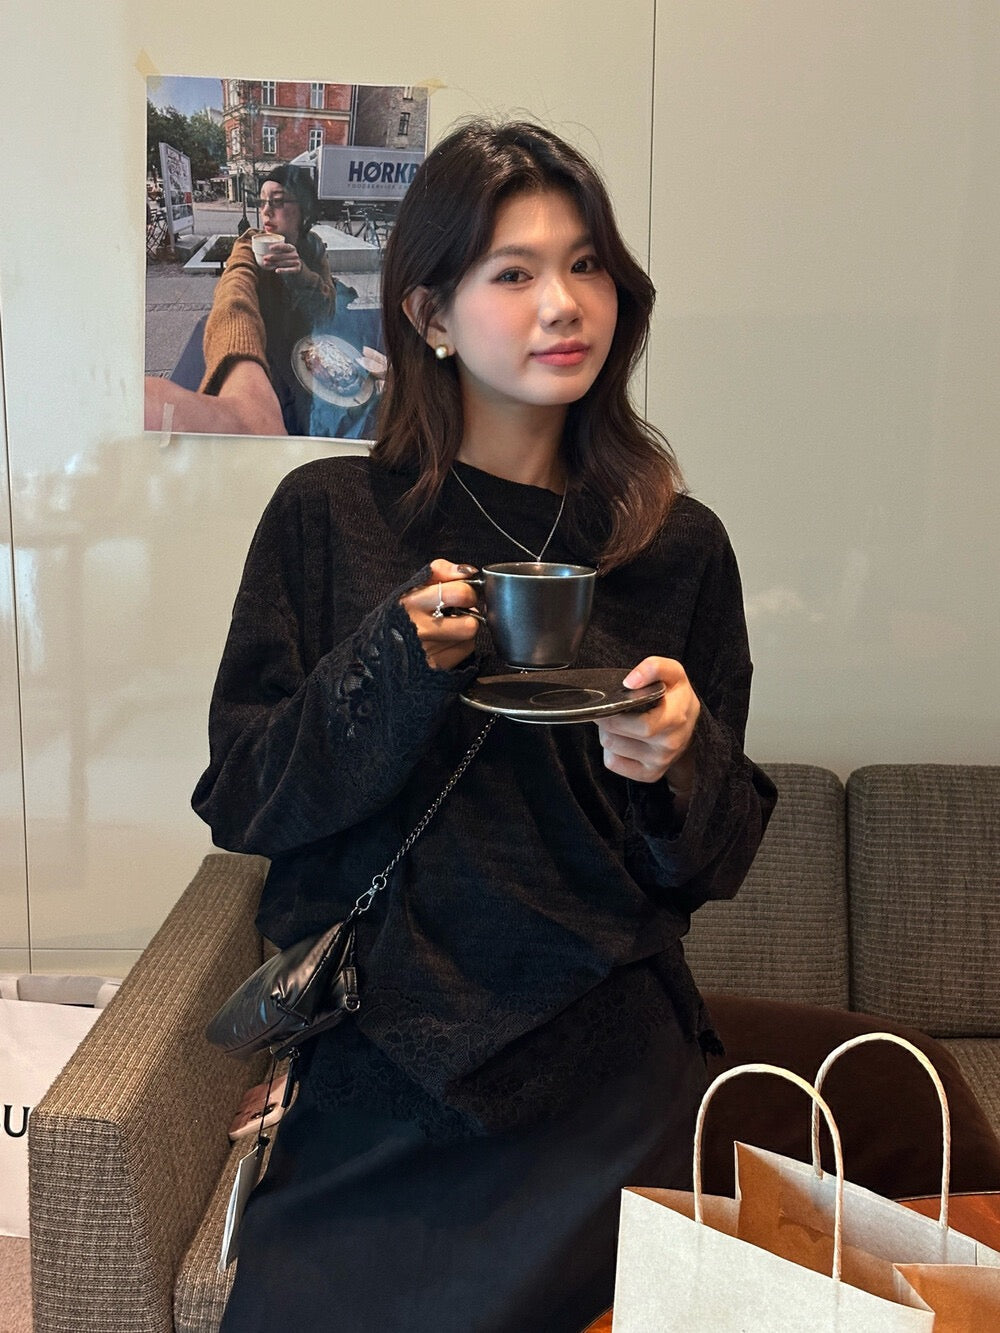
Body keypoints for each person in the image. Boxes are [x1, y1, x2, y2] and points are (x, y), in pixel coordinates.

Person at [193, 119, 777, 1332]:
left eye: (586, 264)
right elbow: (248, 795)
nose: (563, 303)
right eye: (514, 272)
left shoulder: (675, 545)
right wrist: (392, 661)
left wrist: (678, 763)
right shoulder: (329, 517)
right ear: (430, 314)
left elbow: (711, 864)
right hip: (380, 1069)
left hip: (609, 1076)